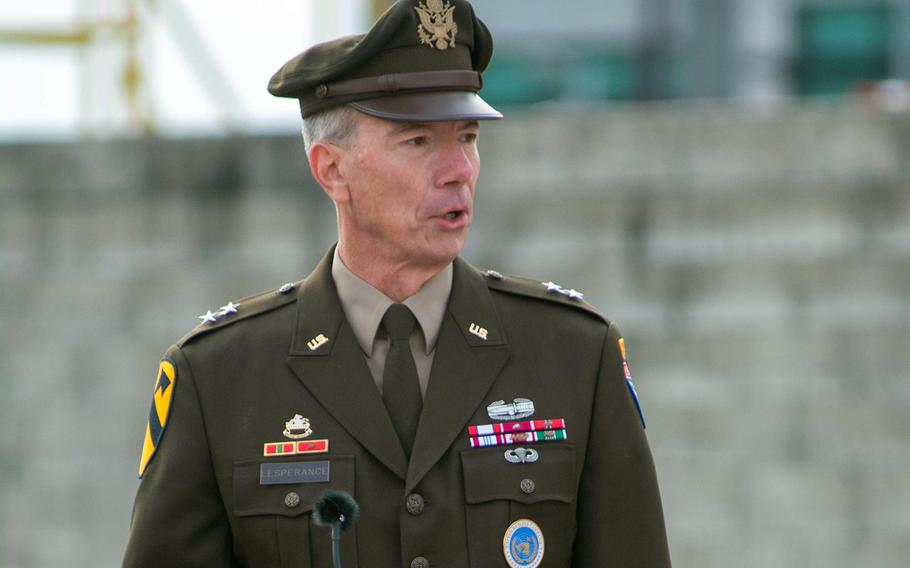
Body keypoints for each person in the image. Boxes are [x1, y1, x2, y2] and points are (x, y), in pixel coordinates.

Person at [122, 1, 671, 566]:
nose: (458, 168)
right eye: (418, 142)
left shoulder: (574, 356)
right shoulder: (219, 378)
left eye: (466, 137)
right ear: (331, 170)